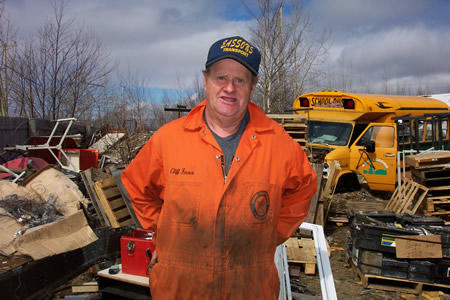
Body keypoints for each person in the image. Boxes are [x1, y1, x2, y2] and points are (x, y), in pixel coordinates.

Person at [122, 36, 317, 300]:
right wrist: (166, 234)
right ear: (206, 80)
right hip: (180, 288)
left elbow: (304, 186)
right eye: (221, 78)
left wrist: (273, 232)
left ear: (253, 85)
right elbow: (136, 186)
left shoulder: (278, 144)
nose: (229, 88)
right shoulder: (168, 140)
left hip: (250, 288)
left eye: (240, 80)